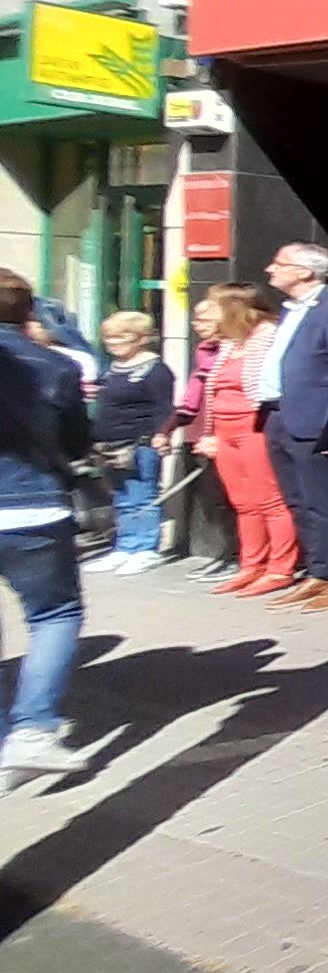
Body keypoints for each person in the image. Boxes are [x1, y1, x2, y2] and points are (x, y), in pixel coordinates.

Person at [0, 269, 95, 782]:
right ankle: (33, 730)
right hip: (32, 506)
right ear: (28, 312)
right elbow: (77, 441)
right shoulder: (55, 365)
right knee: (54, 613)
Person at [257, 243, 328, 609]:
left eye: (279, 263)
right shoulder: (292, 310)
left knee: (323, 501)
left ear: (306, 272)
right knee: (297, 500)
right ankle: (318, 571)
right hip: (278, 414)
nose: (270, 269)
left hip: (313, 420)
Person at [198, 284, 300, 597]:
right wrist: (210, 433)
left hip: (254, 425)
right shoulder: (229, 343)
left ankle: (280, 568)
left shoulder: (266, 336)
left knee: (270, 499)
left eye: (213, 307)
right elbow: (212, 390)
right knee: (243, 502)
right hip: (225, 429)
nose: (206, 314)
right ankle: (251, 565)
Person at [156, 297, 240, 584]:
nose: (196, 326)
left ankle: (238, 557)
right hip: (197, 434)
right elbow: (191, 399)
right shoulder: (204, 352)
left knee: (230, 501)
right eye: (195, 320)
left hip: (221, 436)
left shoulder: (230, 354)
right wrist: (166, 429)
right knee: (211, 503)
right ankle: (227, 554)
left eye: (204, 320)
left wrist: (217, 434)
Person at [92, 310, 175, 575]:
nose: (114, 343)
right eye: (109, 338)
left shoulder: (155, 369)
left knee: (142, 496)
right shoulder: (112, 368)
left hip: (139, 442)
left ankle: (145, 548)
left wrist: (161, 435)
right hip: (109, 443)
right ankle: (125, 546)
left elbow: (163, 408)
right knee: (121, 498)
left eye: (122, 337)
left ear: (142, 338)